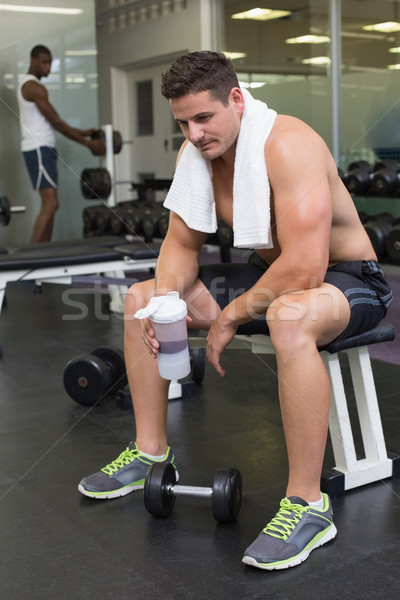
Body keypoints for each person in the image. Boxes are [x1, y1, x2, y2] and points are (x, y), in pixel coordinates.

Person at [78, 51, 392, 570]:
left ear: (237, 100)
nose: (195, 133)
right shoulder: (197, 156)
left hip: (348, 280)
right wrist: (166, 305)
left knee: (288, 316)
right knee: (141, 299)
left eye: (204, 117)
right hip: (278, 278)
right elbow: (180, 245)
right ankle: (150, 452)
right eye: (183, 122)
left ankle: (308, 505)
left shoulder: (289, 145)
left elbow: (308, 267)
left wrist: (227, 316)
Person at [17, 45, 105, 243]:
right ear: (33, 61)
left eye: (50, 62)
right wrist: (88, 144)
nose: (48, 67)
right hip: (38, 149)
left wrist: (85, 132)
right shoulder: (34, 88)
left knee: (52, 204)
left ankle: (43, 253)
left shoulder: (32, 86)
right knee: (51, 202)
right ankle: (31, 258)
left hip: (43, 148)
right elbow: (57, 123)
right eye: (44, 62)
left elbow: (53, 123)